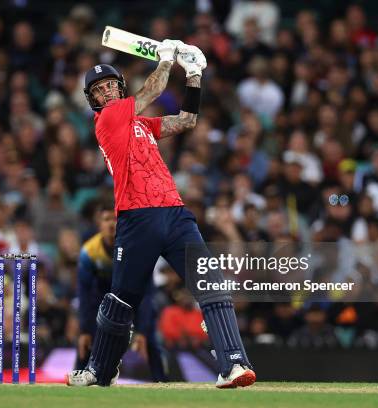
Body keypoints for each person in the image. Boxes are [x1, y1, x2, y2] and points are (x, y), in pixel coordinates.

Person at [67, 40, 255, 388]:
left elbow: (187, 120)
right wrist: (167, 58)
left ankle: (233, 365)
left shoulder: (139, 123)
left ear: (118, 87)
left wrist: (195, 75)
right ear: (93, 100)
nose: (106, 92)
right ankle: (99, 371)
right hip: (137, 218)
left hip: (175, 213)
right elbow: (154, 87)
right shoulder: (109, 119)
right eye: (98, 90)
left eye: (109, 85)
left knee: (211, 285)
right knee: (121, 301)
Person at [75, 199, 167, 382]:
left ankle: (163, 382)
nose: (111, 224)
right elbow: (84, 294)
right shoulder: (89, 252)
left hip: (134, 301)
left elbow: (147, 293)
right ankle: (78, 377)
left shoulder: (137, 248)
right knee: (86, 343)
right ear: (99, 224)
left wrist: (141, 331)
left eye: (115, 219)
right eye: (106, 219)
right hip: (102, 304)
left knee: (151, 342)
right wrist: (84, 329)